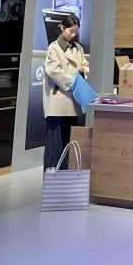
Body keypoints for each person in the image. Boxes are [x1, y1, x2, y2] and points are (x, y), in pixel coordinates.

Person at [43, 12, 90, 170]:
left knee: (68, 143)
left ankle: (64, 177)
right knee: (54, 145)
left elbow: (85, 66)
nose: (73, 34)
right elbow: (54, 71)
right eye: (71, 31)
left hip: (72, 100)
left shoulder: (78, 48)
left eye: (76, 31)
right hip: (58, 100)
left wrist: (82, 71)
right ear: (62, 28)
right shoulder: (54, 48)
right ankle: (51, 178)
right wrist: (74, 79)